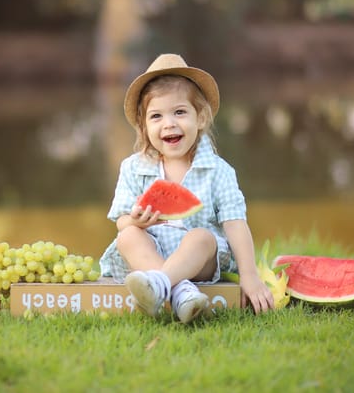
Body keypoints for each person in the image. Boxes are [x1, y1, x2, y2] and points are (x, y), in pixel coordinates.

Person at [99, 53, 274, 323]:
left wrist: (249, 276)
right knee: (127, 236)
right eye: (156, 116)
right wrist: (134, 221)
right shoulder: (133, 167)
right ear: (144, 127)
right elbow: (121, 221)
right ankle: (178, 291)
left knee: (202, 237)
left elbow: (236, 224)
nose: (169, 123)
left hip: (199, 261)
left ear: (200, 118)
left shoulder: (218, 171)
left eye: (179, 112)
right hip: (150, 254)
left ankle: (159, 286)